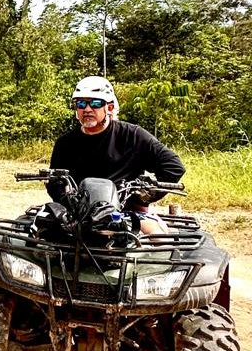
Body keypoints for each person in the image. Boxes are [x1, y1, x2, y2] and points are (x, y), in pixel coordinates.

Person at [48, 76, 186, 233]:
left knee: (157, 237)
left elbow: (174, 167)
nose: (87, 109)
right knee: (40, 233)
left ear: (110, 107)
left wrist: (143, 197)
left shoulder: (133, 136)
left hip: (125, 213)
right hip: (78, 214)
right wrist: (66, 199)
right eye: (81, 103)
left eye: (95, 103)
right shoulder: (65, 142)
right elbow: (54, 182)